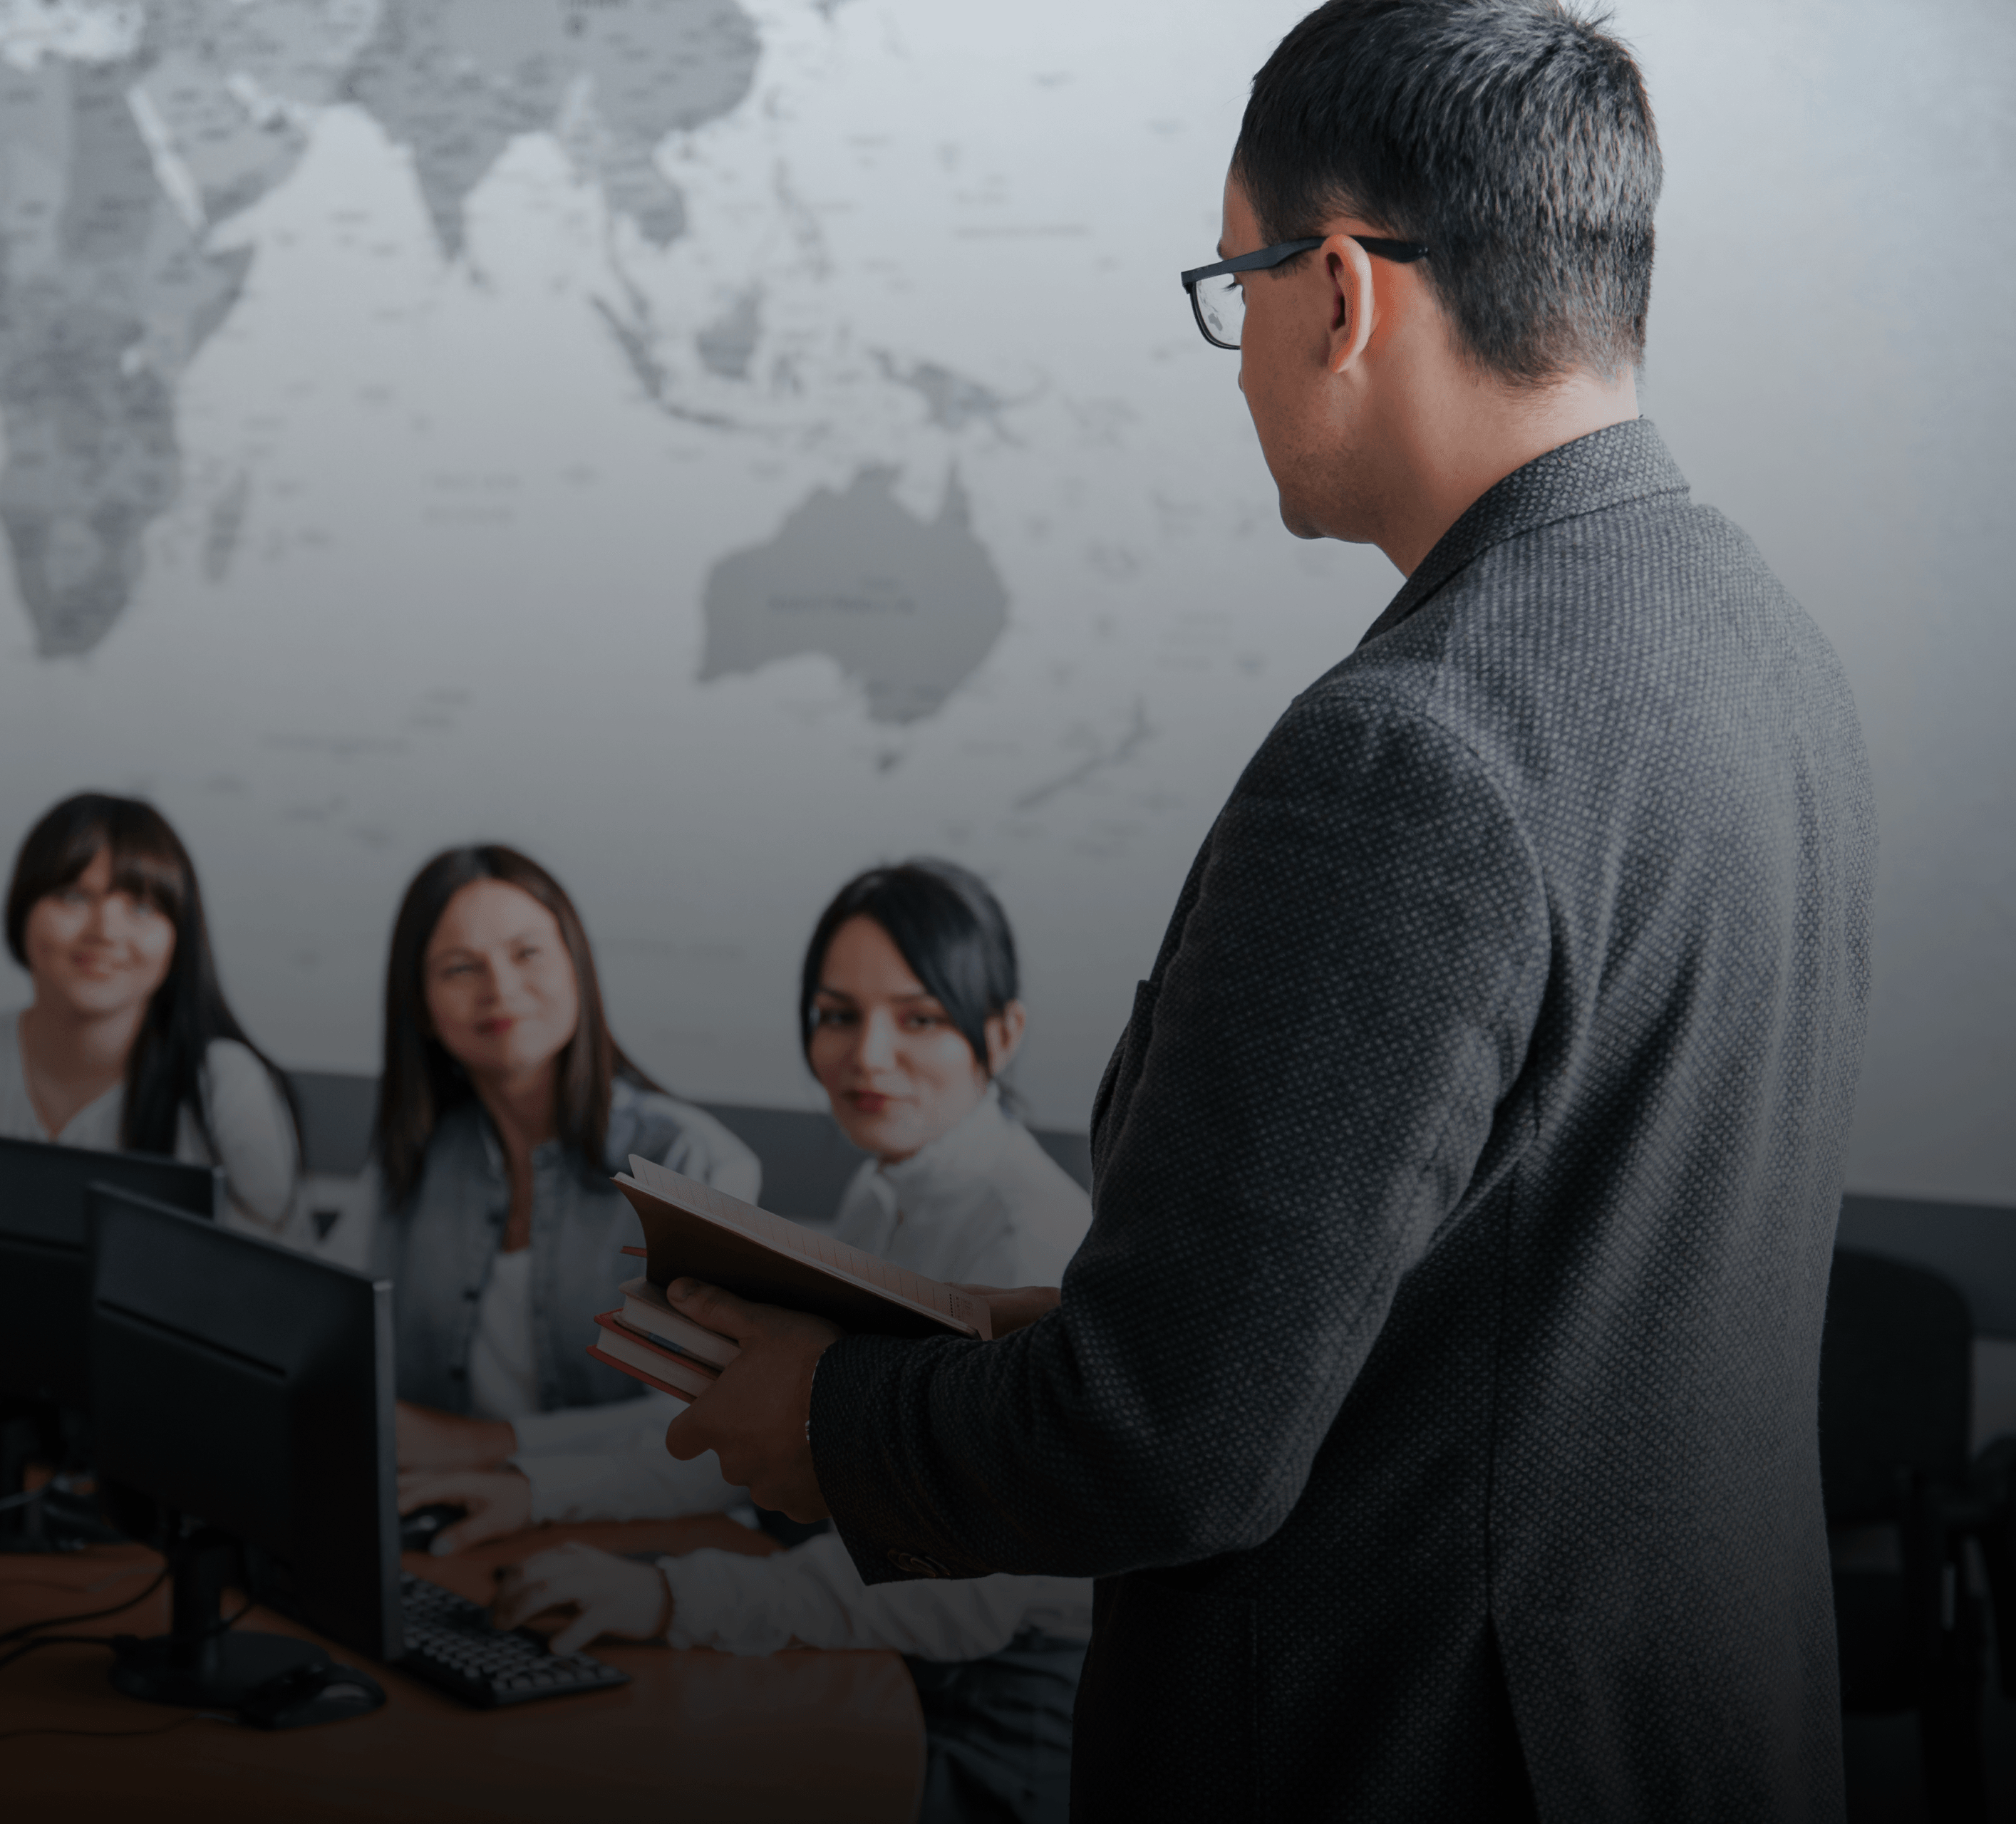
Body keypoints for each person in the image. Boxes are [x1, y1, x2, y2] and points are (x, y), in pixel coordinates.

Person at [664, 6, 1875, 1818]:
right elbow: (1525, 1278)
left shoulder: (1410, 755)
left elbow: (1172, 1451)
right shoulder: (1771, 655)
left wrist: (823, 1424)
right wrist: (1056, 1332)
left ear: (1337, 290)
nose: (1234, 361)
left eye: (1232, 288)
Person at [454, 861, 1095, 1824]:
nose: (866, 1056)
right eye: (837, 1015)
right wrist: (541, 1494)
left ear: (1001, 1033)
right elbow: (758, 1419)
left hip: (991, 1716)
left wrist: (672, 1600)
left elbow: (960, 1588)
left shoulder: (1025, 1236)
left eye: (918, 1018)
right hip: (885, 1649)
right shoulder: (887, 1189)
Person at [361, 843, 760, 1477]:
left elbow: (698, 1423)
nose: (500, 989)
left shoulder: (691, 1160)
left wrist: (482, 1445)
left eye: (527, 954)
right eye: (461, 968)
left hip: (627, 1539)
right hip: (440, 1517)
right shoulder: (410, 1157)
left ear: (577, 966)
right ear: (424, 1010)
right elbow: (323, 1338)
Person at [0, 793, 305, 1240]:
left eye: (141, 907)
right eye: (73, 897)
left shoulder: (227, 1085)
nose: (105, 932)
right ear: (23, 911)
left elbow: (277, 1291)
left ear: (179, 938)